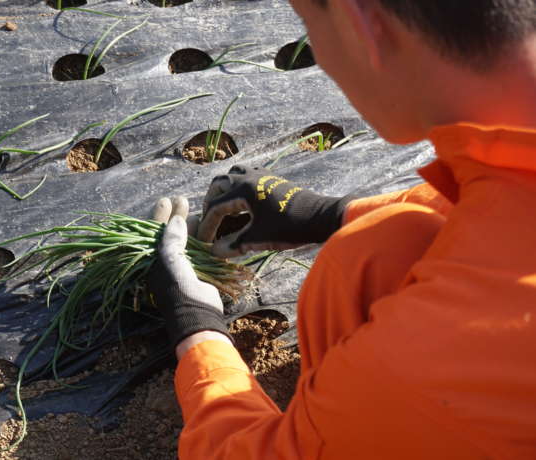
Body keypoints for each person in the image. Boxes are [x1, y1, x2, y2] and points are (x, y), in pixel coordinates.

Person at [147, 0, 536, 459]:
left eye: (310, 27)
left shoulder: (432, 356)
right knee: (383, 243)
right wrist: (330, 214)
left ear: (362, 23)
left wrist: (198, 331)